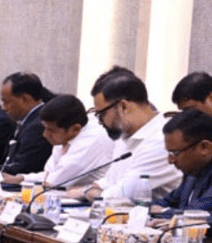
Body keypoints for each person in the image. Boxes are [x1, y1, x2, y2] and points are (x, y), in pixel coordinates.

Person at [82, 69, 179, 202]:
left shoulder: (162, 139)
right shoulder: (125, 136)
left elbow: (123, 194)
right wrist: (93, 189)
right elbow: (110, 181)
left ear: (123, 106)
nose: (100, 121)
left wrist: (92, 193)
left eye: (102, 114)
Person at [19, 94, 113, 189]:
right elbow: (49, 174)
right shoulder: (66, 136)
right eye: (45, 128)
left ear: (75, 129)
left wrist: (26, 179)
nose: (45, 134)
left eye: (51, 130)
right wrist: (21, 178)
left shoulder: (92, 139)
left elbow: (54, 181)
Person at [154, 109, 212, 217]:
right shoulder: (192, 172)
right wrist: (151, 208)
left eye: (175, 153)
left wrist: (164, 212)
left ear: (204, 147)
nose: (170, 160)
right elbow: (167, 201)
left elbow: (198, 214)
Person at [0, 71, 54, 175]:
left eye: (7, 102)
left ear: (25, 99)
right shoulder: (28, 120)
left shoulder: (38, 126)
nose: (3, 108)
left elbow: (21, 168)